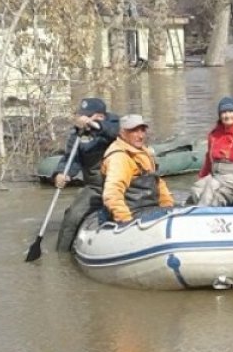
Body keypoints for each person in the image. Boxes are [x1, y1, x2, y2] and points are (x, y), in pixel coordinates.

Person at [53, 97, 120, 252]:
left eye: (87, 116)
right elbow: (71, 159)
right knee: (72, 216)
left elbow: (115, 132)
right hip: (96, 188)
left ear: (100, 116)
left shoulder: (116, 124)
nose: (82, 119)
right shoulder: (77, 134)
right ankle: (62, 255)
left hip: (123, 185)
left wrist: (96, 125)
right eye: (81, 115)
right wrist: (62, 174)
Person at [101, 113, 174, 224]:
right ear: (122, 133)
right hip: (133, 213)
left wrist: (168, 206)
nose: (140, 136)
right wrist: (126, 221)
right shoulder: (119, 157)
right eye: (134, 131)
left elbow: (158, 183)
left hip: (151, 209)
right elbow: (112, 194)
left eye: (142, 130)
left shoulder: (144, 152)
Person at [189, 96, 233, 206]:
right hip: (216, 174)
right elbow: (208, 159)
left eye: (231, 112)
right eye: (224, 112)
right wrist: (202, 176)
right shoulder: (214, 134)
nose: (227, 115)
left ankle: (204, 212)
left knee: (212, 186)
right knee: (197, 188)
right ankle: (195, 210)